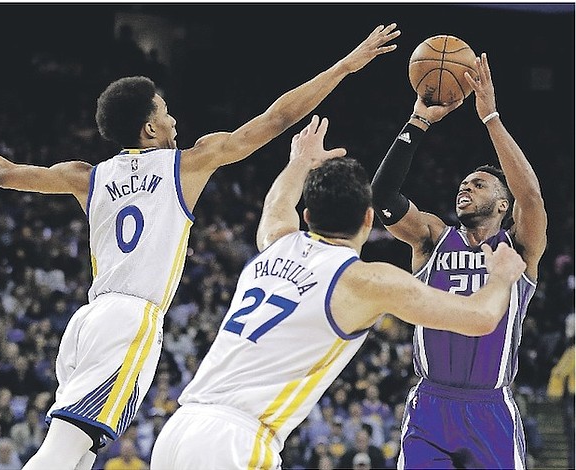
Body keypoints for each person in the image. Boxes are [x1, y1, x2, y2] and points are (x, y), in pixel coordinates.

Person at [0, 23, 400, 470]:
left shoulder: (86, 176)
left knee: (77, 456)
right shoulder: (186, 166)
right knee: (59, 454)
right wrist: (346, 65)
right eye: (164, 113)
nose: (173, 120)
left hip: (87, 322)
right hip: (131, 320)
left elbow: (4, 173)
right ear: (149, 129)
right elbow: (275, 120)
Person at [150, 115, 527, 470]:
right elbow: (480, 319)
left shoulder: (276, 241)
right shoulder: (365, 281)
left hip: (180, 427)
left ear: (308, 216)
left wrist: (299, 162)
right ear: (368, 220)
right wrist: (502, 276)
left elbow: (278, 205)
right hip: (236, 440)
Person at [370, 53, 547, 469]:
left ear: (503, 203)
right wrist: (418, 122)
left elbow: (532, 198)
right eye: (464, 183)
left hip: (491, 407)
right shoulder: (433, 238)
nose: (465, 187)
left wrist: (491, 118)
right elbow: (382, 200)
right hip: (431, 403)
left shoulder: (518, 249)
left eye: (479, 184)